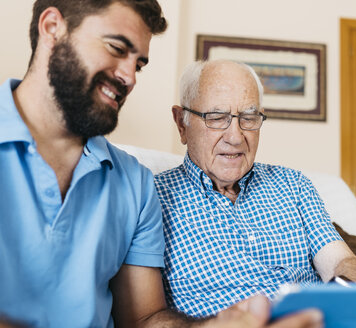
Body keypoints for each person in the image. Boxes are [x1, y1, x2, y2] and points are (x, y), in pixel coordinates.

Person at [0, 1, 323, 327]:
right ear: (52, 27)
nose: (129, 78)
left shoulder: (134, 183)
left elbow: (144, 318)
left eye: (138, 65)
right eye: (116, 48)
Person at [154, 59, 356, 318]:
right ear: (182, 124)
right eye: (216, 117)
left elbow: (339, 261)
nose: (235, 137)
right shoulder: (151, 200)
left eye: (248, 118)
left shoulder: (293, 185)